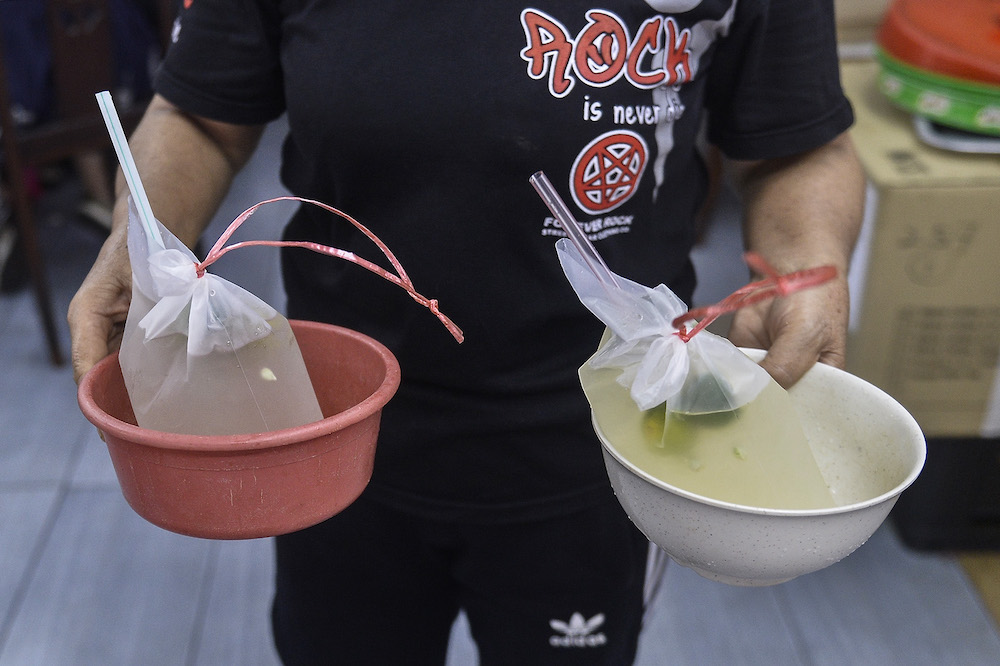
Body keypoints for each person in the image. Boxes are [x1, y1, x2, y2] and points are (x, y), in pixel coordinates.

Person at [68, 1, 865, 664]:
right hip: (329, 434)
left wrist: (812, 262)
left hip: (602, 444)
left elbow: (800, 142)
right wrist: (137, 240)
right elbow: (201, 112)